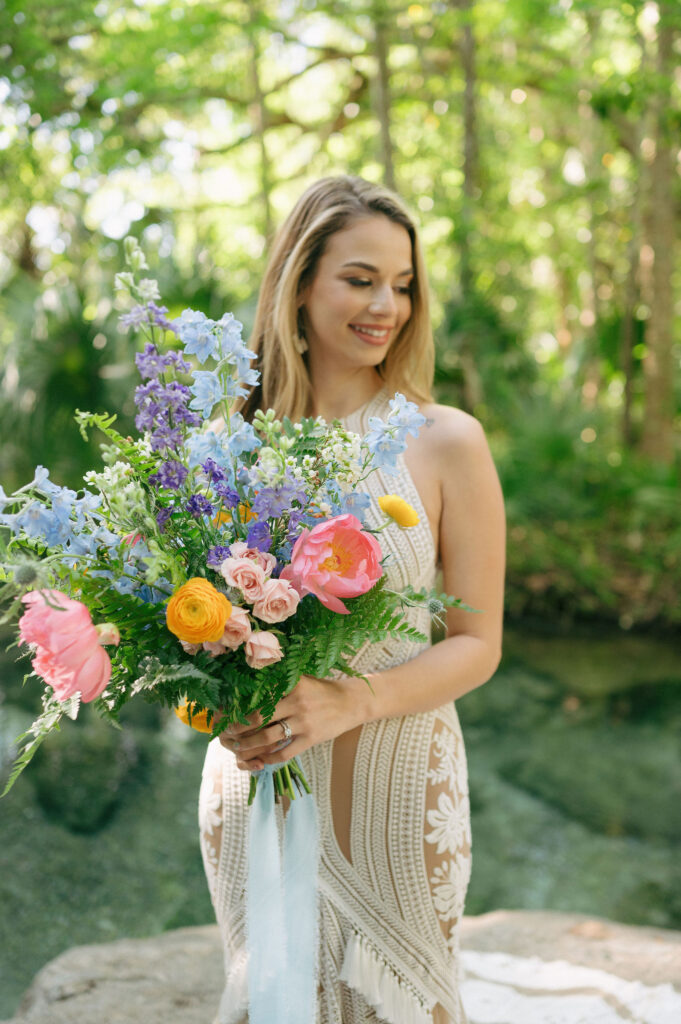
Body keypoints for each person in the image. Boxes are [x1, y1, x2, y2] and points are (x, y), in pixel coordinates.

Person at [198, 175, 505, 1024]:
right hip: (256, 786)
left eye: (402, 285)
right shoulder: (225, 449)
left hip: (403, 791)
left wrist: (351, 701)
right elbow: (189, 623)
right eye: (360, 279)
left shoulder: (446, 441)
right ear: (299, 284)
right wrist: (205, 687)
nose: (387, 306)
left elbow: (478, 644)